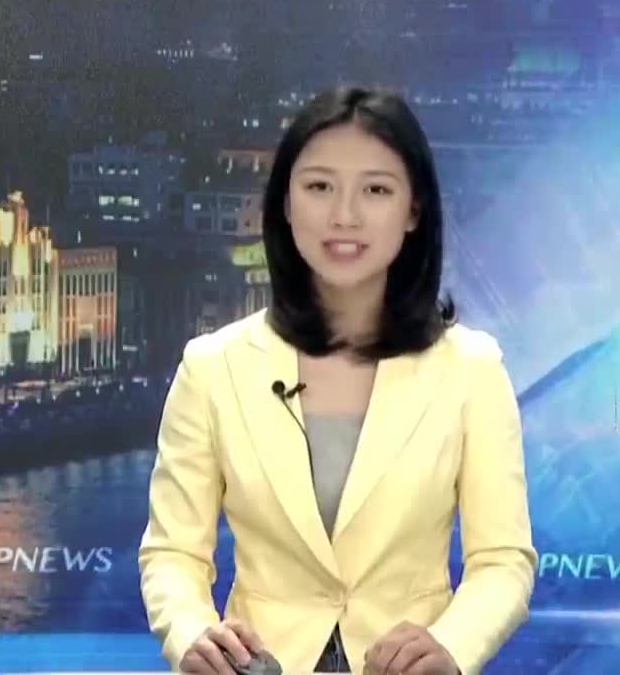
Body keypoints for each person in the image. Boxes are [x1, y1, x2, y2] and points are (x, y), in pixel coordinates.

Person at [138, 85, 536, 675]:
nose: (344, 215)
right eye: (320, 187)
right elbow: (173, 554)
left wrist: (452, 645)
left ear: (414, 210)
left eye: (376, 190)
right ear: (286, 203)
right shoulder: (214, 367)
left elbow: (503, 561)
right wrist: (194, 635)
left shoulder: (471, 371)